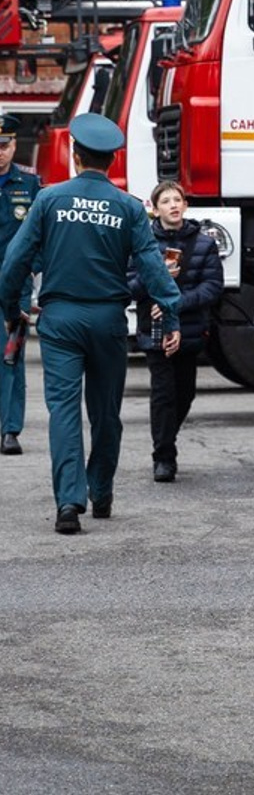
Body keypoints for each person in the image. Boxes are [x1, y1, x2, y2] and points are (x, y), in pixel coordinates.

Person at [0, 113, 181, 535]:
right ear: (112, 162)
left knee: (63, 412)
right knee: (105, 413)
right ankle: (101, 492)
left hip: (60, 319)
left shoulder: (48, 199)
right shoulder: (129, 207)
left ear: (75, 157)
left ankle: (68, 503)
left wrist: (12, 306)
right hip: (107, 321)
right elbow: (154, 266)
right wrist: (169, 313)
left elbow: (15, 262)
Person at [129, 180, 223, 482]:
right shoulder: (141, 243)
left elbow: (212, 287)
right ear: (155, 209)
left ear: (185, 205)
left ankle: (167, 434)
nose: (173, 205)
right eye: (166, 201)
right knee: (163, 394)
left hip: (190, 328)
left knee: (185, 393)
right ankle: (164, 457)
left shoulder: (204, 244)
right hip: (154, 329)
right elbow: (128, 286)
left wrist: (176, 304)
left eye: (178, 199)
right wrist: (154, 276)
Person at [0, 113, 40, 456]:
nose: (0, 152)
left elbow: (43, 236)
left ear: (14, 145)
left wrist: (31, 270)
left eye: (4, 144)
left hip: (16, 285)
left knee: (11, 355)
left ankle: (10, 429)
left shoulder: (29, 184)